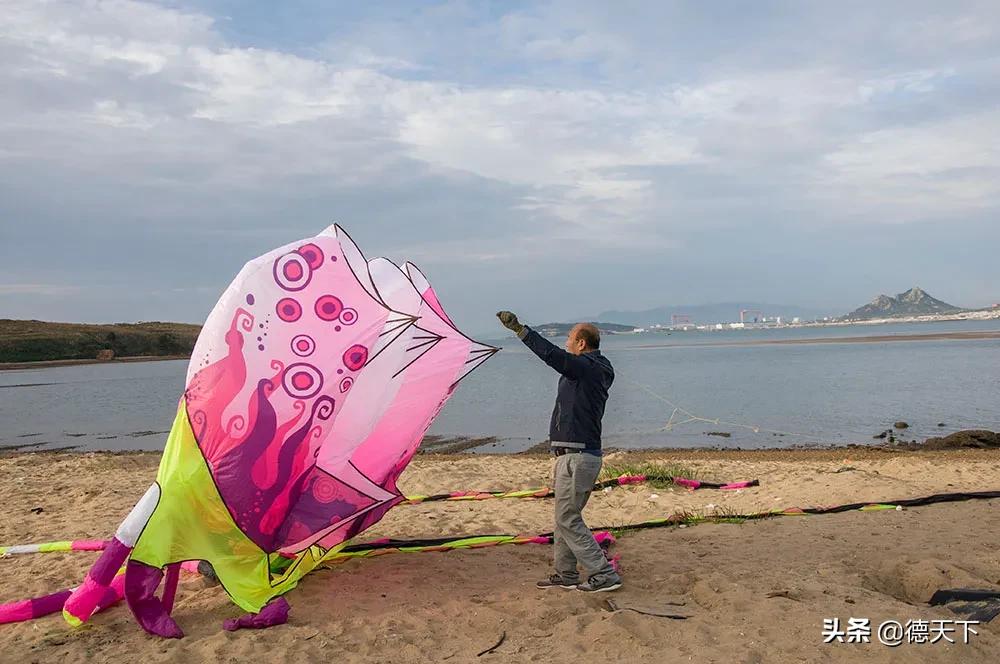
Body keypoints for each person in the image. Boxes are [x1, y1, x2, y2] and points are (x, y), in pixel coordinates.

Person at [496, 311, 622, 592]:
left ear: (581, 344)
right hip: (569, 455)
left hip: (579, 457)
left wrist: (521, 331)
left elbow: (552, 356)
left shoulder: (587, 367)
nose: (566, 342)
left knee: (568, 517)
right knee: (563, 517)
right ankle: (565, 574)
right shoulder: (587, 369)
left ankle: (603, 573)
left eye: (569, 338)